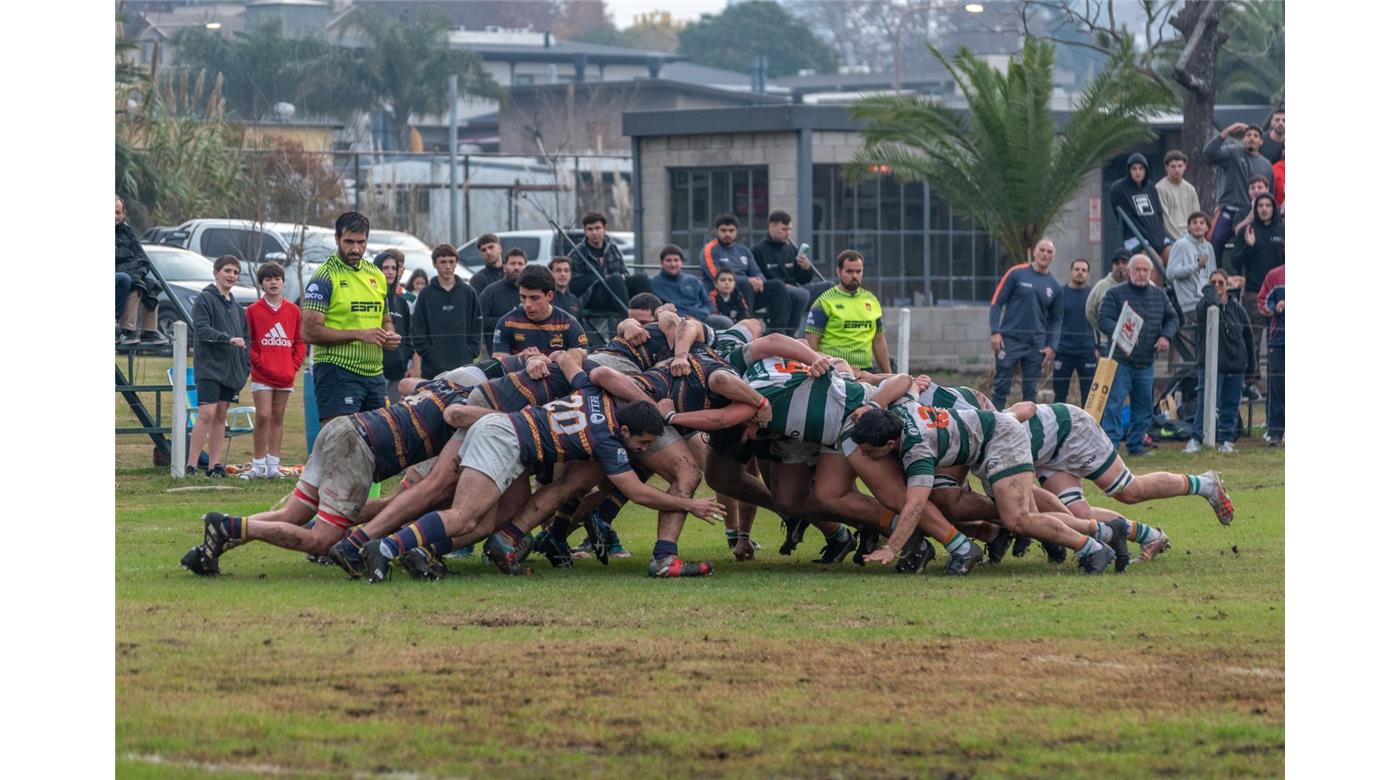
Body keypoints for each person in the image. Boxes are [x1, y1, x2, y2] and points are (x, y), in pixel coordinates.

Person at [362, 365, 726, 582]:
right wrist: (691, 506)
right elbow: (638, 492)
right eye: (643, 443)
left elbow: (576, 366)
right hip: (503, 438)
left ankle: (413, 550)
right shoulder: (608, 441)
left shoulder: (591, 393)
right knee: (464, 515)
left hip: (504, 434)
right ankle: (385, 545)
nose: (644, 451)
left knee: (483, 523)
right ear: (627, 431)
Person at [182, 377, 475, 576]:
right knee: (324, 540)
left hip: (342, 428)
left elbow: (405, 383)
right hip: (359, 447)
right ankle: (230, 526)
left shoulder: (446, 385)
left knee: (293, 514)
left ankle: (216, 541)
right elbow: (423, 487)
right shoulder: (465, 412)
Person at [301, 212, 399, 424]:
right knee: (340, 445)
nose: (355, 249)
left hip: (375, 374)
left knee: (379, 446)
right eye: (349, 242)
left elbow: (385, 317)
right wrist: (359, 334)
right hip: (337, 371)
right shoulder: (325, 276)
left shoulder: (376, 275)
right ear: (337, 239)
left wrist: (389, 334)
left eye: (361, 242)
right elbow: (308, 332)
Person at [1097, 254, 1179, 456]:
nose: (1141, 274)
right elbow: (1103, 318)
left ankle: (1136, 446)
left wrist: (1166, 337)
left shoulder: (1159, 295)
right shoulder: (1115, 294)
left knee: (1143, 409)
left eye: (1145, 270)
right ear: (1129, 271)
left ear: (1151, 273)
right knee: (1113, 406)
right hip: (1120, 362)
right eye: (1137, 270)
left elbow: (1173, 318)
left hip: (1146, 363)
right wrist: (1122, 334)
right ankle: (1111, 449)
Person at [185, 255, 252, 478]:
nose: (231, 275)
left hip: (231, 370)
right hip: (209, 367)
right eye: (227, 271)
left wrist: (245, 365)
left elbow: (245, 338)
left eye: (235, 272)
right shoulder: (204, 299)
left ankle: (215, 466)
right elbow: (201, 329)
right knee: (206, 413)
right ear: (216, 272)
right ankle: (191, 465)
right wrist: (227, 339)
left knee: (221, 414)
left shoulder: (237, 307)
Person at [243, 262, 306, 479]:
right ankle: (257, 465)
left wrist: (293, 365)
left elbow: (300, 342)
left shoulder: (293, 310)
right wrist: (259, 362)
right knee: (263, 415)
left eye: (277, 278)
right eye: (268, 279)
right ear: (262, 284)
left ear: (282, 282)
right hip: (262, 374)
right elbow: (248, 343)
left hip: (285, 374)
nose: (273, 282)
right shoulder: (252, 311)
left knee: (278, 416)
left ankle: (273, 465)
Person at [986, 239, 1064, 409]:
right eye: (1042, 250)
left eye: (1049, 252)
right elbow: (996, 303)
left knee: (1030, 392)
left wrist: (1052, 346)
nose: (1045, 254)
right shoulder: (1016, 273)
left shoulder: (1055, 287)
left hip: (1036, 345)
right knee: (1001, 387)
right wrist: (995, 331)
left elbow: (1057, 319)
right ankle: (993, 427)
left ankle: (1025, 431)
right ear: (1034, 252)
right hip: (1009, 340)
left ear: (1053, 257)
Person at [1183, 270, 1253, 454]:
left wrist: (1251, 368)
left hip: (1235, 366)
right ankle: (1197, 439)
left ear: (1227, 285)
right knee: (1204, 404)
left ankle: (1227, 440)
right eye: (1213, 283)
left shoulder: (1238, 309)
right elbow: (1209, 303)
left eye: (1221, 283)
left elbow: (1249, 337)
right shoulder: (1204, 306)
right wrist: (1210, 292)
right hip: (1209, 366)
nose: (1217, 286)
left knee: (1230, 405)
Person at [701, 213, 793, 331]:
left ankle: (778, 331)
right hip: (722, 295)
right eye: (723, 230)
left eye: (731, 230)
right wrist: (748, 280)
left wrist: (759, 280)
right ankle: (748, 329)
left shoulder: (743, 250)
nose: (727, 234)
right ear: (716, 231)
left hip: (749, 293)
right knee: (745, 284)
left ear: (737, 231)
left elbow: (756, 271)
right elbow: (716, 276)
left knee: (777, 285)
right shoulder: (710, 249)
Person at [805, 249, 891, 373]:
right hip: (834, 371)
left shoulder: (872, 300)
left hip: (866, 372)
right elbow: (811, 341)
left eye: (858, 271)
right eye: (849, 271)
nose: (854, 276)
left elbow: (879, 340)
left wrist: (888, 374)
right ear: (839, 271)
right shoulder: (824, 301)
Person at [1203, 123, 1275, 264]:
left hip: (1251, 214)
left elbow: (1269, 193)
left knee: (1250, 248)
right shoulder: (1232, 152)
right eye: (1248, 135)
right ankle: (1215, 278)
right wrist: (1227, 131)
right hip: (1228, 211)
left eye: (1255, 136)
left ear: (1261, 141)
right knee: (1214, 241)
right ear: (1243, 139)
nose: (1251, 138)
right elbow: (1208, 152)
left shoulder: (1266, 165)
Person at [410, 244, 483, 382]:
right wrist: (428, 353)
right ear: (434, 264)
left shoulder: (468, 293)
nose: (448, 266)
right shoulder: (426, 294)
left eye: (451, 261)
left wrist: (471, 351)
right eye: (443, 262)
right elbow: (418, 329)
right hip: (432, 369)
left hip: (464, 367)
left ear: (456, 263)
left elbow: (477, 325)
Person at [491, 265, 589, 358]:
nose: (527, 304)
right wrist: (524, 360)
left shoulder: (569, 324)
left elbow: (581, 359)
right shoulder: (507, 323)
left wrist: (547, 361)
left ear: (549, 296)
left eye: (534, 298)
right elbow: (500, 364)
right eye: (523, 297)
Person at [749, 210, 821, 335]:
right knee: (801, 294)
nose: (788, 233)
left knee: (829, 287)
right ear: (772, 226)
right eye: (784, 229)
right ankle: (790, 333)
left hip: (796, 288)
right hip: (778, 291)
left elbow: (802, 279)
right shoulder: (758, 250)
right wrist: (782, 285)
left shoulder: (791, 249)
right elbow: (759, 277)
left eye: (790, 229)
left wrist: (806, 268)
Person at [567, 212, 651, 315]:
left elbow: (624, 272)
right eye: (590, 229)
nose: (594, 233)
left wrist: (622, 277)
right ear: (585, 231)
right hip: (592, 298)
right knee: (614, 279)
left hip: (617, 294)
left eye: (597, 228)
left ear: (604, 228)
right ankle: (629, 321)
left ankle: (651, 318)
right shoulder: (577, 253)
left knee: (640, 278)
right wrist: (600, 278)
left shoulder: (612, 248)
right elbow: (573, 285)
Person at [115, 196, 168, 346]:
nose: (115, 216)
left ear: (123, 214)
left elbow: (141, 256)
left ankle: (149, 331)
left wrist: (138, 268)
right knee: (134, 283)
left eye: (118, 212)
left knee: (151, 285)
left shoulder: (127, 231)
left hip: (128, 271)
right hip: (119, 275)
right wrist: (127, 256)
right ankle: (127, 330)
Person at [1166, 211, 1217, 350]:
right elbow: (1170, 273)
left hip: (1207, 299)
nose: (1198, 226)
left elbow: (1211, 275)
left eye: (1202, 223)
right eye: (1194, 223)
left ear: (1207, 227)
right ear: (1189, 227)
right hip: (1190, 302)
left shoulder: (1209, 247)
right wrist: (1195, 266)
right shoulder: (1181, 245)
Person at [650, 244, 731, 329]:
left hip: (701, 318)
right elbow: (656, 310)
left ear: (682, 263)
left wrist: (699, 316)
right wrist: (685, 318)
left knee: (725, 322)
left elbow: (708, 304)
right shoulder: (653, 284)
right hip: (675, 322)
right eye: (668, 260)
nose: (673, 264)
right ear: (662, 263)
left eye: (676, 260)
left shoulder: (693, 280)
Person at [1053, 259, 1098, 405]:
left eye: (1084, 270)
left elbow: (1099, 323)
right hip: (1063, 351)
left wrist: (1098, 348)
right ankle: (1059, 426)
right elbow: (1052, 321)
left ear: (1088, 274)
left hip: (1087, 352)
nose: (1080, 273)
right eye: (1077, 269)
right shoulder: (1060, 293)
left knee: (1089, 395)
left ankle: (1087, 427)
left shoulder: (1093, 295)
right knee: (1059, 394)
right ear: (1071, 272)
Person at [374, 250, 417, 402]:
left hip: (399, 372)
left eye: (394, 268)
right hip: (375, 371)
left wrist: (410, 365)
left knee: (394, 418)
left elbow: (409, 336)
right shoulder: (370, 298)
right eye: (385, 268)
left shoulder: (402, 301)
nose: (390, 272)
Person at [1109, 153, 1170, 255]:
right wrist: (1148, 237)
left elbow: (1158, 213)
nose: (1138, 172)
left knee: (1172, 256)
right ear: (1129, 170)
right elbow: (1129, 219)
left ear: (1146, 170)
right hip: (1135, 238)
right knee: (1155, 262)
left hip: (1156, 236)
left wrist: (1159, 234)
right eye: (1134, 169)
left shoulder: (1150, 187)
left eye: (1141, 168)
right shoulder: (1119, 189)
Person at [1258, 264, 1285, 446]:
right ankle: (1275, 431)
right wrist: (1276, 307)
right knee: (1276, 387)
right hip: (1279, 340)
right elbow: (1262, 302)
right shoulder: (1274, 275)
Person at [1086, 250, 1130, 350]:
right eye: (1117, 263)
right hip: (1108, 342)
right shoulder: (1101, 286)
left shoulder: (1140, 285)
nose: (1120, 266)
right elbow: (1090, 311)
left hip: (1133, 343)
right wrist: (1103, 329)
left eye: (1124, 262)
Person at [1155, 150, 1201, 243]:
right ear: (1166, 168)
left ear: (1185, 167)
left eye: (1180, 166)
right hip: (1169, 238)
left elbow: (1197, 215)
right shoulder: (1160, 188)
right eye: (1173, 166)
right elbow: (1165, 220)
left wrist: (1195, 235)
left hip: (1191, 235)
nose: (1177, 170)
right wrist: (1182, 240)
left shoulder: (1190, 188)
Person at [478, 248, 528, 326]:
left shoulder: (535, 291)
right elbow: (479, 319)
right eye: (512, 264)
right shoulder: (491, 292)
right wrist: (507, 320)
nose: (516, 267)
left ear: (526, 267)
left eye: (520, 264)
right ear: (504, 267)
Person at [548, 256, 583, 321]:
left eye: (566, 270)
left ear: (570, 274)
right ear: (550, 274)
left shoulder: (575, 300)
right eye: (558, 270)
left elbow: (580, 328)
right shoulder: (545, 299)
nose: (563, 274)